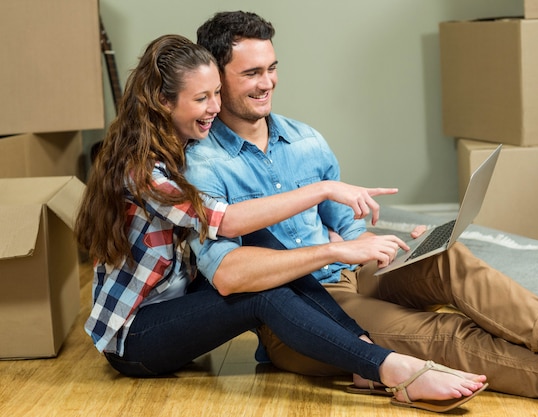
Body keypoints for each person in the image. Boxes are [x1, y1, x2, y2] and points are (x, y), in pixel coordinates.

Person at [187, 10, 538, 410]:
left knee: (448, 259)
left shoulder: (304, 140)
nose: (267, 83)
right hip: (303, 314)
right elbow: (228, 275)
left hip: (351, 278)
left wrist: (385, 246)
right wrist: (333, 252)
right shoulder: (201, 163)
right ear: (215, 79)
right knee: (439, 332)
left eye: (272, 68)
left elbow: (347, 229)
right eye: (252, 73)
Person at [74, 33, 489, 413]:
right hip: (136, 338)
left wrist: (343, 234)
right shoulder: (144, 170)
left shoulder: (179, 148)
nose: (215, 108)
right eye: (202, 99)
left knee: (266, 247)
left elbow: (244, 228)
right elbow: (227, 220)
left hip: (177, 298)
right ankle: (388, 369)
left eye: (217, 93)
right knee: (259, 294)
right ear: (164, 102)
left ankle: (360, 351)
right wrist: (325, 193)